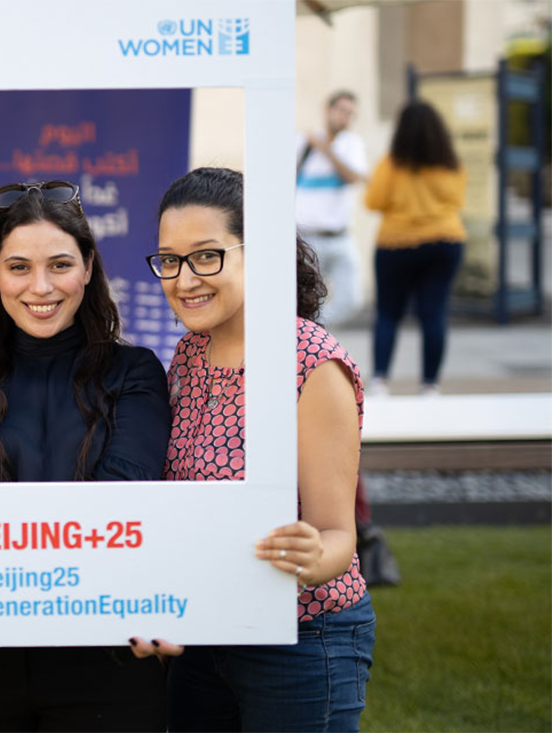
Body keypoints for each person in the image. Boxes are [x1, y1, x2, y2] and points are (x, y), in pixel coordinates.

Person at [132, 168, 375, 732]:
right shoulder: (188, 355)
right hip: (207, 631)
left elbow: (339, 535)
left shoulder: (310, 361)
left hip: (301, 635)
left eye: (206, 256)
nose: (184, 278)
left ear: (257, 253)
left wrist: (312, 553)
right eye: (168, 260)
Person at [0, 180, 171, 731]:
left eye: (59, 264)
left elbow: (121, 502)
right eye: (18, 267)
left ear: (88, 266)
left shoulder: (135, 374)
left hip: (109, 650)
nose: (40, 286)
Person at [364, 100, 466, 396]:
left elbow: (374, 201)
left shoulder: (392, 163)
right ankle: (430, 385)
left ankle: (380, 381)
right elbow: (457, 200)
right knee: (433, 313)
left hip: (396, 244)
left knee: (387, 313)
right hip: (445, 241)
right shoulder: (451, 163)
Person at [295, 90, 368, 326]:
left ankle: (315, 331)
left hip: (340, 236)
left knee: (351, 299)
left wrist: (325, 148)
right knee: (305, 297)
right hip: (307, 237)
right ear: (328, 110)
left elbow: (352, 176)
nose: (345, 118)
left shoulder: (352, 144)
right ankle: (310, 338)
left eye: (350, 114)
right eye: (341, 111)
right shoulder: (302, 143)